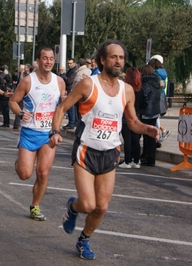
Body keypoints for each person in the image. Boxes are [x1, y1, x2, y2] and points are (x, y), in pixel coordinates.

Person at [49, 40, 159, 260]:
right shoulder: (89, 85)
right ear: (102, 59)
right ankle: (73, 207)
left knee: (101, 207)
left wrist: (147, 128)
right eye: (113, 57)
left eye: (121, 58)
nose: (118, 61)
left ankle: (84, 240)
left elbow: (133, 122)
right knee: (88, 204)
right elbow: (62, 108)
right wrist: (55, 131)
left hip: (110, 153)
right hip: (86, 150)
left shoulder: (127, 90)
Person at [9, 47, 65, 221]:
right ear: (39, 61)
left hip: (48, 134)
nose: (48, 62)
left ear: (53, 61)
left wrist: (62, 107)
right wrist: (20, 113)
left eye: (51, 59)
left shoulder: (59, 82)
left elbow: (61, 106)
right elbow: (13, 101)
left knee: (42, 173)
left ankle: (35, 206)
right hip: (29, 132)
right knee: (25, 174)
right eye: (44, 58)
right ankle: (19, 163)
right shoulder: (28, 81)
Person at [118, 67, 143, 168]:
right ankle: (136, 161)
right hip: (136, 116)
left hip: (126, 116)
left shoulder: (125, 88)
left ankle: (127, 160)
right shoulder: (140, 88)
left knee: (127, 139)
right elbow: (143, 103)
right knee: (135, 139)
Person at [139, 64, 162, 166]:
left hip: (146, 111)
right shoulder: (157, 83)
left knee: (146, 135)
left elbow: (143, 96)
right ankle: (150, 157)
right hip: (155, 111)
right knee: (151, 136)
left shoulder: (145, 83)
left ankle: (146, 156)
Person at [62, 58, 78, 130]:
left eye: (70, 63)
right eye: (68, 63)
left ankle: (72, 123)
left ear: (74, 63)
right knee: (69, 108)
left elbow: (69, 81)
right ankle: (71, 122)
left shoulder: (74, 70)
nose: (69, 65)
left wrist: (65, 77)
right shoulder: (70, 70)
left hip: (70, 90)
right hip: (68, 90)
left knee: (71, 107)